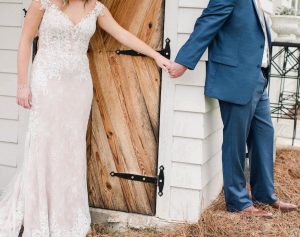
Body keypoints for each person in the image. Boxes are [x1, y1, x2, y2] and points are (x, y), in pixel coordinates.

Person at [0, 0, 171, 236]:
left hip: (78, 87)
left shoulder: (96, 8)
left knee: (71, 150)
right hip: (47, 82)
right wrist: (22, 85)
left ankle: (68, 216)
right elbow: (25, 40)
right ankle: (38, 214)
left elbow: (122, 33)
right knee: (43, 146)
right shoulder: (44, 3)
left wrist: (155, 56)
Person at [167, 0, 297, 218]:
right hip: (235, 77)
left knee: (264, 135)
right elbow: (207, 22)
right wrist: (183, 61)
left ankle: (264, 194)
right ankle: (238, 202)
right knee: (235, 141)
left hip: (257, 77)